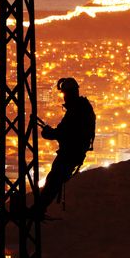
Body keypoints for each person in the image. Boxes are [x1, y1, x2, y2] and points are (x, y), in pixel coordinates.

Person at [33, 77, 95, 217]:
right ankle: (39, 208)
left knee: (53, 181)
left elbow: (65, 132)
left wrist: (50, 133)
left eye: (65, 94)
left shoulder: (76, 111)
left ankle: (39, 209)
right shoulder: (82, 108)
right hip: (75, 153)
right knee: (54, 180)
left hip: (70, 153)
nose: (64, 97)